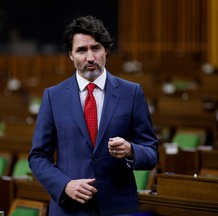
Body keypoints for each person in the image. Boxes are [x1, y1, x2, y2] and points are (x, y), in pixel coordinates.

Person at [28, 15, 158, 216]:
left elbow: (151, 153)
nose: (90, 57)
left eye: (95, 48)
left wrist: (131, 150)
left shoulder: (131, 93)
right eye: (81, 50)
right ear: (70, 55)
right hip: (69, 208)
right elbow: (38, 157)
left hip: (119, 207)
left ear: (106, 50)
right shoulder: (53, 97)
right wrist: (65, 185)